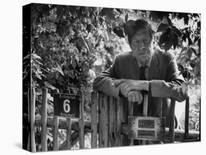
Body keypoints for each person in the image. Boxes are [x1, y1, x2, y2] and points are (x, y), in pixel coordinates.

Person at [93, 19, 187, 133]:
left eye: (145, 40)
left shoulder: (166, 58)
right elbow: (99, 81)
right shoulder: (121, 60)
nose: (142, 46)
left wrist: (143, 85)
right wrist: (123, 89)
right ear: (130, 45)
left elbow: (182, 90)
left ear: (153, 40)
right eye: (136, 42)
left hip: (162, 131)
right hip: (129, 133)